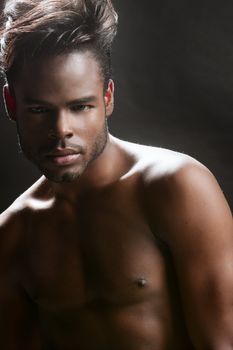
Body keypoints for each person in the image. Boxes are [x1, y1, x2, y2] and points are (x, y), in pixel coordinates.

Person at [0, 0, 233, 349]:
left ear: (107, 98)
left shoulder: (178, 187)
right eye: (39, 110)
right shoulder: (12, 234)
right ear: (11, 104)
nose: (61, 130)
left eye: (80, 106)